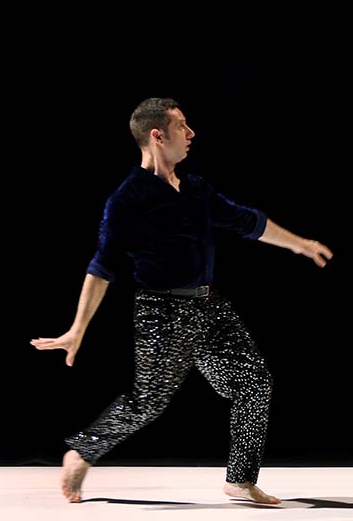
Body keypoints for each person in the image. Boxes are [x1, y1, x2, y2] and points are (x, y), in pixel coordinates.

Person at [30, 98, 333, 505]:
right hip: (162, 311)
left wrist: (299, 245)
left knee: (254, 383)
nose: (191, 134)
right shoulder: (128, 199)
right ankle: (82, 450)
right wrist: (77, 329)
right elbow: (102, 266)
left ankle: (240, 479)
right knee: (148, 402)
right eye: (182, 126)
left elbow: (248, 222)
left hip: (209, 307)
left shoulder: (195, 188)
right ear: (157, 136)